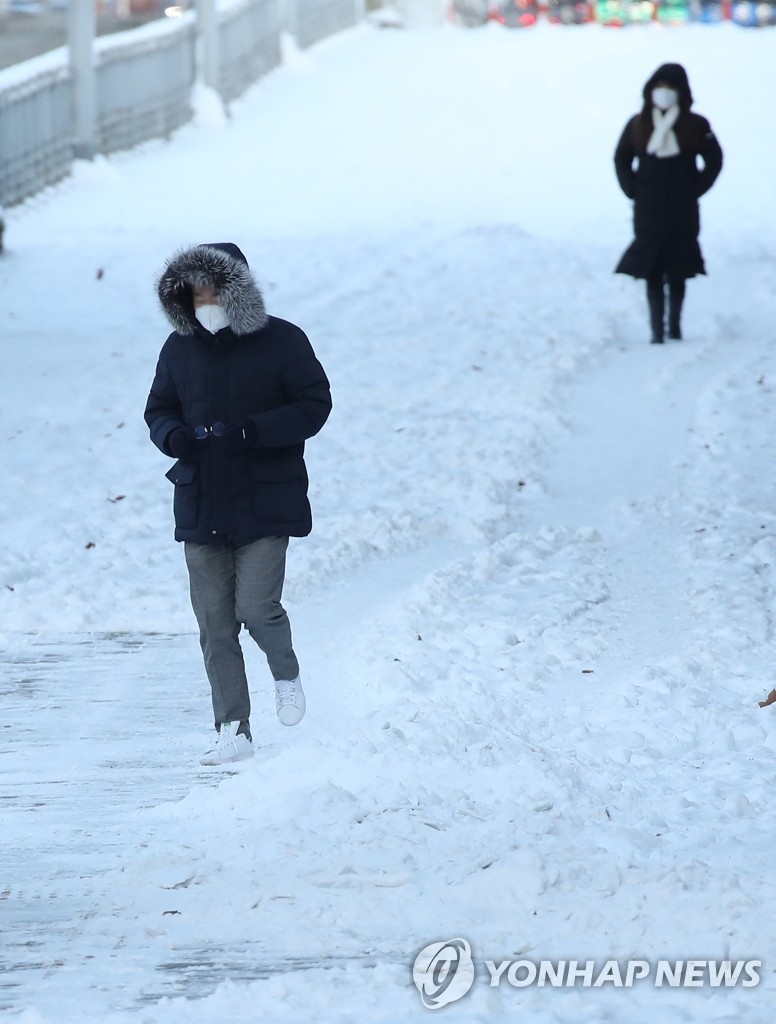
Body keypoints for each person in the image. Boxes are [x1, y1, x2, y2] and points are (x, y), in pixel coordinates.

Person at [145, 243, 332, 766]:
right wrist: (173, 436)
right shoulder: (178, 348)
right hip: (201, 500)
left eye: (210, 283)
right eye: (191, 285)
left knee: (255, 607)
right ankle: (234, 729)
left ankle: (286, 674)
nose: (201, 294)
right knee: (214, 623)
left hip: (265, 498)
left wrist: (255, 430)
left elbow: (315, 404)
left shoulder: (283, 340)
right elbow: (158, 408)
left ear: (236, 287)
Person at [614, 63, 723, 344]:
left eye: (670, 87)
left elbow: (714, 160)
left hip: (681, 208)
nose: (664, 93)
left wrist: (695, 188)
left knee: (677, 267)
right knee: (652, 267)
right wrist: (631, 187)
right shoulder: (638, 124)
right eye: (659, 87)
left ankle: (674, 325)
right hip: (647, 207)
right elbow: (622, 157)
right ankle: (656, 330)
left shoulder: (696, 125)